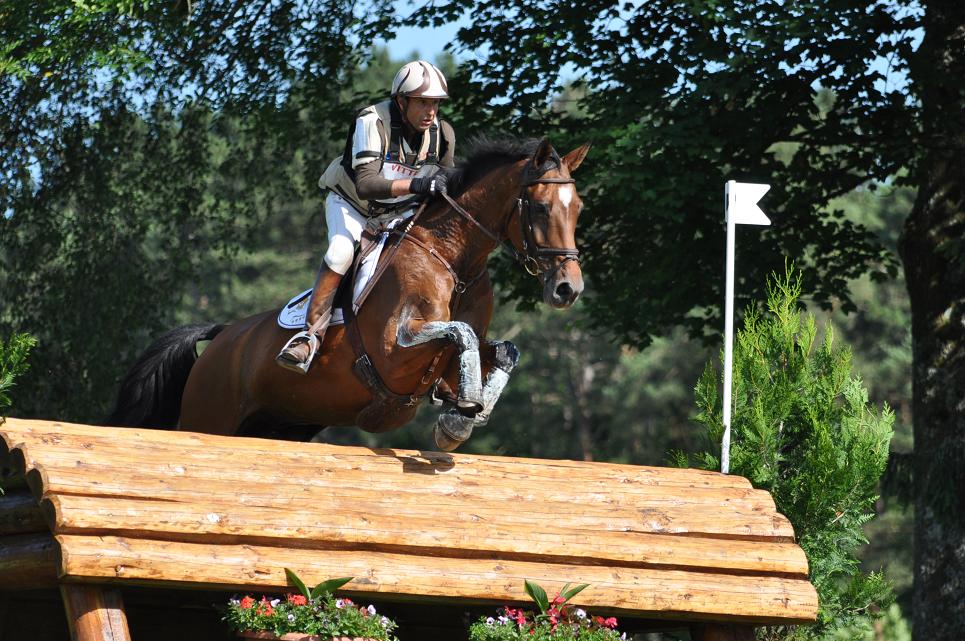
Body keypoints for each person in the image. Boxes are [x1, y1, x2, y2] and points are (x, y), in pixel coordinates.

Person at [276, 60, 457, 374]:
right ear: (401, 101)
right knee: (341, 251)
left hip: (398, 213)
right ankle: (310, 336)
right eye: (423, 103)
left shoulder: (442, 134)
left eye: (435, 104)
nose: (431, 112)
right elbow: (367, 185)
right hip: (353, 206)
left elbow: (448, 186)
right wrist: (417, 183)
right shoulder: (372, 121)